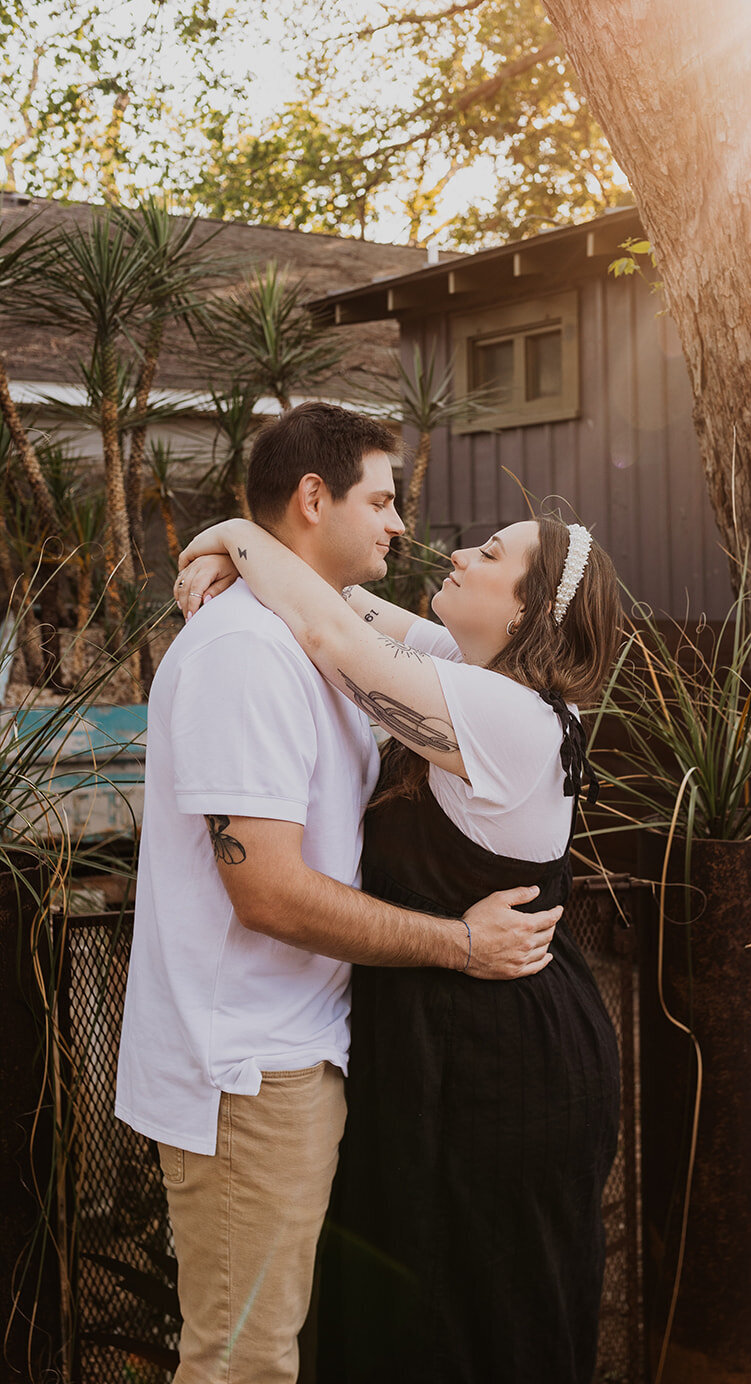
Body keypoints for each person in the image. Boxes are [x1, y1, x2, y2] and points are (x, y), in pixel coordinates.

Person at [115, 403, 561, 1384]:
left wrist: (231, 535)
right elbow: (266, 892)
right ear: (313, 499)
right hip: (247, 1067)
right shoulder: (247, 651)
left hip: (307, 1047)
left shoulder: (328, 643)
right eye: (381, 498)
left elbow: (347, 628)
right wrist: (457, 942)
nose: (401, 525)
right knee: (244, 1363)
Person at [175, 503, 624, 1384]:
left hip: (498, 1047)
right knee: (430, 1291)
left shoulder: (507, 716)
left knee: (476, 1301)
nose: (459, 551)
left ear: (528, 611)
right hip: (466, 1021)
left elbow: (328, 629)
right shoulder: (474, 672)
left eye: (489, 553)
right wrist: (233, 553)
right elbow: (337, 595)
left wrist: (229, 530)